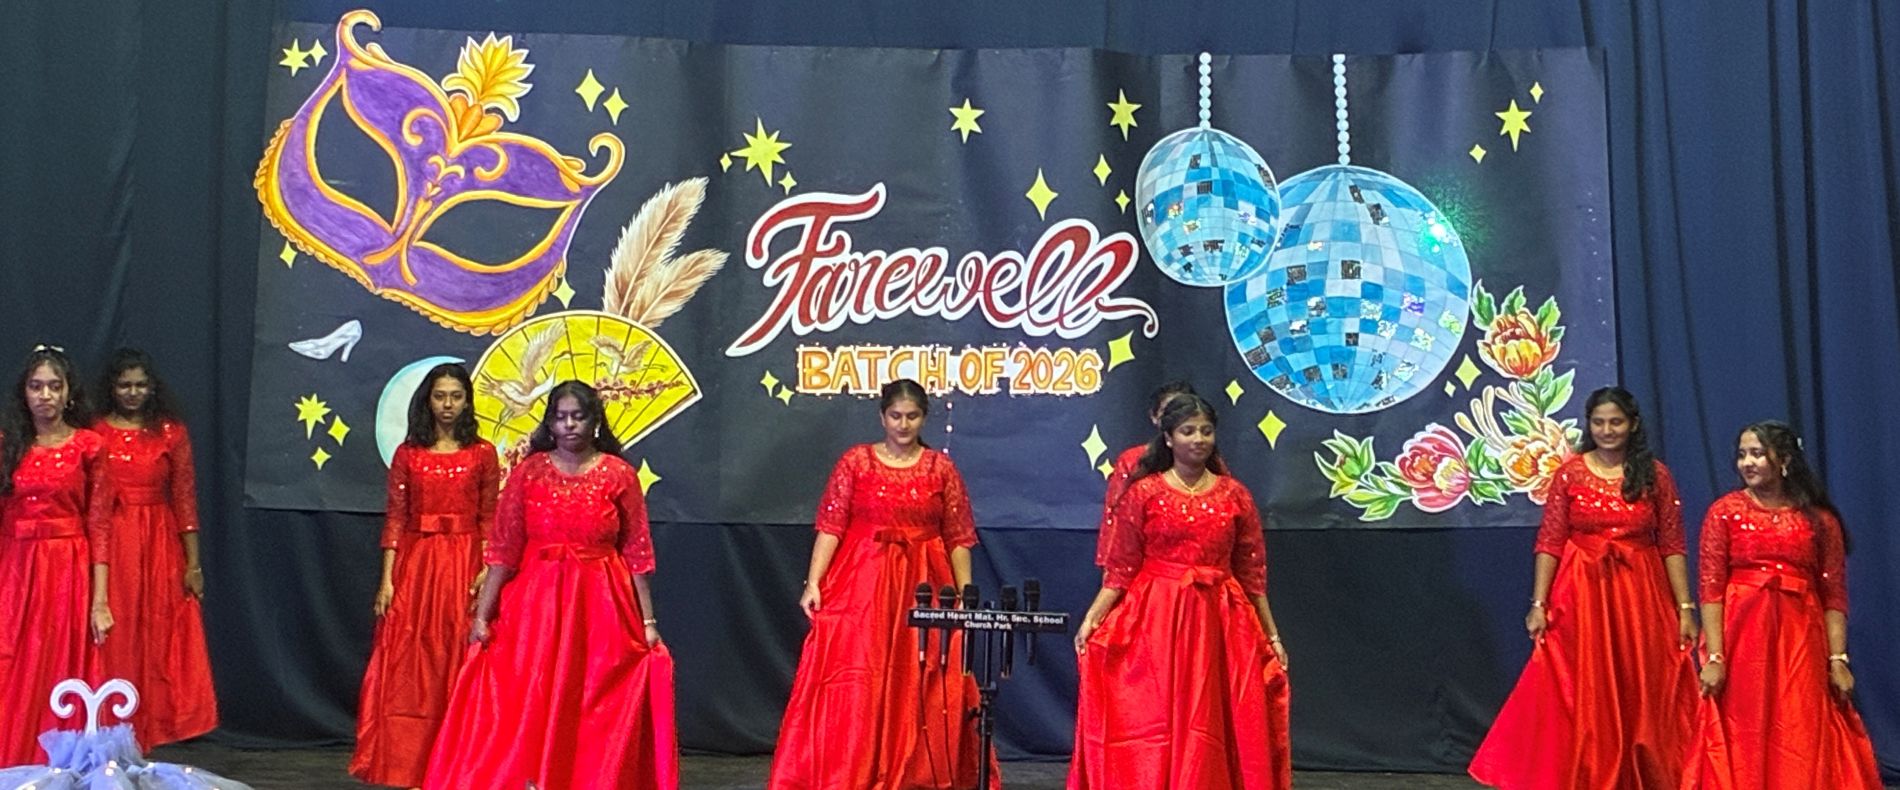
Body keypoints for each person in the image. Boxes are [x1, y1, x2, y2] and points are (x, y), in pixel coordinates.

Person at [424, 381, 677, 789]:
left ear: (595, 421)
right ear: (550, 423)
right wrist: (483, 616)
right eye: (560, 417)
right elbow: (503, 550)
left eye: (578, 417)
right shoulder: (529, 472)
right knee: (530, 696)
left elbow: (637, 553)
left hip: (600, 605)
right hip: (536, 607)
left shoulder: (619, 474)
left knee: (591, 698)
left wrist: (648, 623)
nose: (569, 425)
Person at [1468, 387, 1698, 788]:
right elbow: (1550, 540)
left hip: (1639, 593)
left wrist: (1685, 608)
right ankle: (1584, 772)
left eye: (1616, 422)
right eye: (1599, 422)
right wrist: (1539, 603)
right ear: (1589, 425)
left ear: (1633, 425)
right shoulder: (1570, 473)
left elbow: (1672, 544)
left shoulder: (1655, 475)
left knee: (1641, 684)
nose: (1607, 430)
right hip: (1581, 593)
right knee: (1579, 685)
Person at [768, 379, 991, 790]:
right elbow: (831, 526)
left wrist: (965, 594)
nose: (903, 425)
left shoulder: (941, 469)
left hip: (925, 583)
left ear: (924, 418)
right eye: (895, 416)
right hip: (863, 583)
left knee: (924, 674)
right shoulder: (856, 462)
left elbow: (958, 537)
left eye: (912, 416)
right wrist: (813, 582)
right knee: (857, 675)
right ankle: (854, 767)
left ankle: (918, 772)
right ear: (882, 417)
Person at [1069, 394, 1289, 790]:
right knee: (1155, 715)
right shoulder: (1144, 493)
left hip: (1220, 622)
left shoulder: (1236, 495)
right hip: (1157, 618)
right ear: (1168, 438)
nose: (1198, 439)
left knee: (1213, 716)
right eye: (1188, 431)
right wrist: (1093, 618)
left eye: (1206, 431)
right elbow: (1121, 568)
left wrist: (1271, 636)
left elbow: (1252, 574)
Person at [1682, 421, 1881, 789]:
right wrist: (1715, 658)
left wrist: (1838, 659)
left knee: (1798, 722)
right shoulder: (1724, 512)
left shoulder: (1819, 520)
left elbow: (1834, 594)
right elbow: (1711, 588)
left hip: (1800, 638)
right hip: (1743, 637)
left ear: (1785, 460)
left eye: (1757, 454)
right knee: (1745, 724)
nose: (1747, 462)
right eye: (1742, 455)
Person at [351, 362, 499, 787]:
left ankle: (457, 769)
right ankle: (410, 765)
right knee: (412, 665)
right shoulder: (409, 454)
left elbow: (490, 518)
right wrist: (387, 580)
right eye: (440, 396)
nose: (447, 404)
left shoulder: (482, 453)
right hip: (417, 565)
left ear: (467, 401)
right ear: (427, 401)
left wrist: (486, 570)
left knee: (457, 658)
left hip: (464, 564)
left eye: (456, 396)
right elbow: (396, 519)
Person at [89, 348, 218, 749]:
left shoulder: (170, 432)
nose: (133, 392)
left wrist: (193, 563)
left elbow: (184, 498)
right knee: (119, 632)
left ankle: (154, 725)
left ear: (152, 387)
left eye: (140, 385)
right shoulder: (95, 433)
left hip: (160, 542)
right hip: (115, 541)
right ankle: (113, 724)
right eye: (125, 385)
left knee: (159, 633)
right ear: (111, 387)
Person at [0, 346, 114, 766]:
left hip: (67, 572)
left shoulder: (89, 446)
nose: (45, 395)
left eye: (54, 386)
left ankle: (55, 764)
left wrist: (100, 602)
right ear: (24, 392)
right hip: (15, 570)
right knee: (11, 662)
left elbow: (100, 527)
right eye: (36, 386)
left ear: (68, 393)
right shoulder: (7, 446)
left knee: (59, 666)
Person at [1096, 381, 1197, 569]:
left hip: (1199, 564)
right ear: (1154, 417)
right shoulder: (1132, 460)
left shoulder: (1206, 459)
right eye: (1167, 412)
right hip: (1147, 568)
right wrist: (1111, 568)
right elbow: (1115, 517)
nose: (1175, 419)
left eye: (1182, 412)